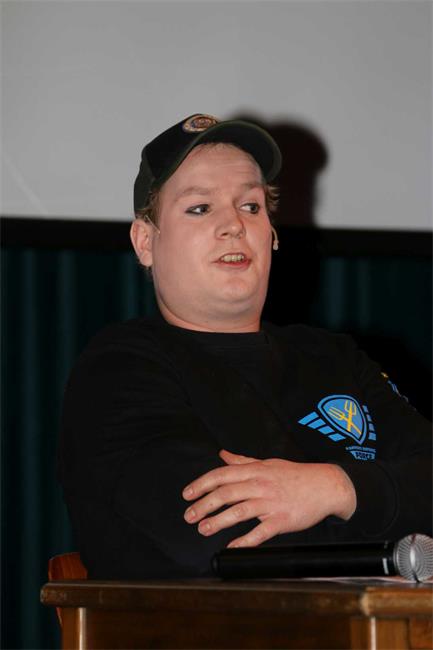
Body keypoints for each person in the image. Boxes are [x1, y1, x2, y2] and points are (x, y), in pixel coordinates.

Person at [59, 113, 432, 579]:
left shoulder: (335, 357)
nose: (234, 225)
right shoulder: (120, 371)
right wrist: (394, 520)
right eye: (200, 208)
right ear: (145, 241)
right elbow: (229, 541)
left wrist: (334, 489)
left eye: (251, 206)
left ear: (272, 234)